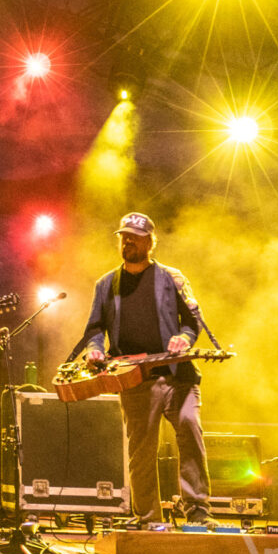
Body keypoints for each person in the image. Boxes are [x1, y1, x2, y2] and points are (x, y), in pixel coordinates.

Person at [83, 212, 214, 527]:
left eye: (135, 237)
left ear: (150, 242)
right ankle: (148, 517)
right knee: (141, 448)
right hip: (135, 377)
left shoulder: (172, 278)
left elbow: (193, 321)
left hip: (178, 375)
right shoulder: (106, 284)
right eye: (124, 236)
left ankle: (196, 508)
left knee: (189, 426)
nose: (127, 241)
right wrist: (95, 348)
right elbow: (95, 328)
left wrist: (184, 338)